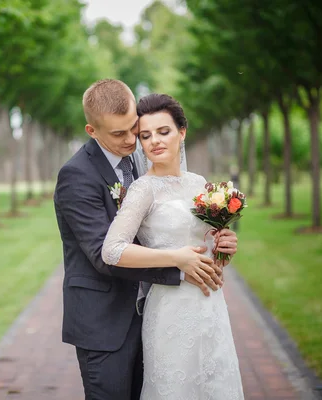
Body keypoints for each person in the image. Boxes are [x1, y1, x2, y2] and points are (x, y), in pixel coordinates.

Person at [53, 79, 238, 399]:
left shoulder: (139, 160)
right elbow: (103, 254)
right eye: (119, 134)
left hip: (153, 311)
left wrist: (220, 247)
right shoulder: (77, 176)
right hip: (104, 320)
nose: (132, 141)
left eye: (133, 129)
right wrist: (178, 266)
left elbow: (178, 235)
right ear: (92, 131)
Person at [101, 93, 244, 399]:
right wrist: (175, 258)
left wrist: (225, 246)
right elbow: (111, 249)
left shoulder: (199, 183)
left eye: (163, 132)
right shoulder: (142, 190)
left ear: (182, 132)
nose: (154, 141)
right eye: (146, 135)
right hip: (170, 310)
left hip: (211, 306)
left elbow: (204, 248)